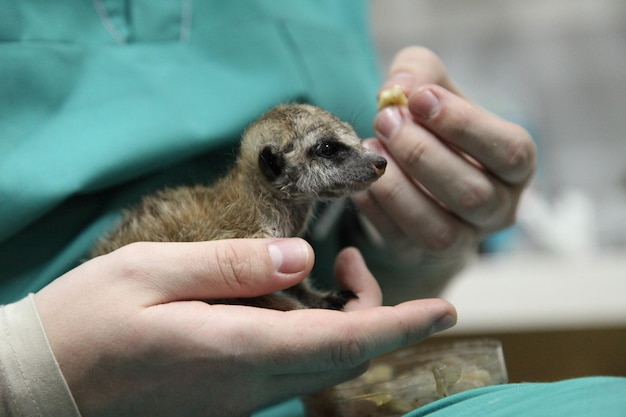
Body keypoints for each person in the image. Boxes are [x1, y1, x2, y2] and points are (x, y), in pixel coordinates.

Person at [1, 2, 623, 417]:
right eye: (333, 153)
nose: (367, 164)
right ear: (276, 169)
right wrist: (26, 371)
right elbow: (259, 292)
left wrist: (414, 234)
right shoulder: (248, 220)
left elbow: (320, 261)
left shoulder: (288, 207)